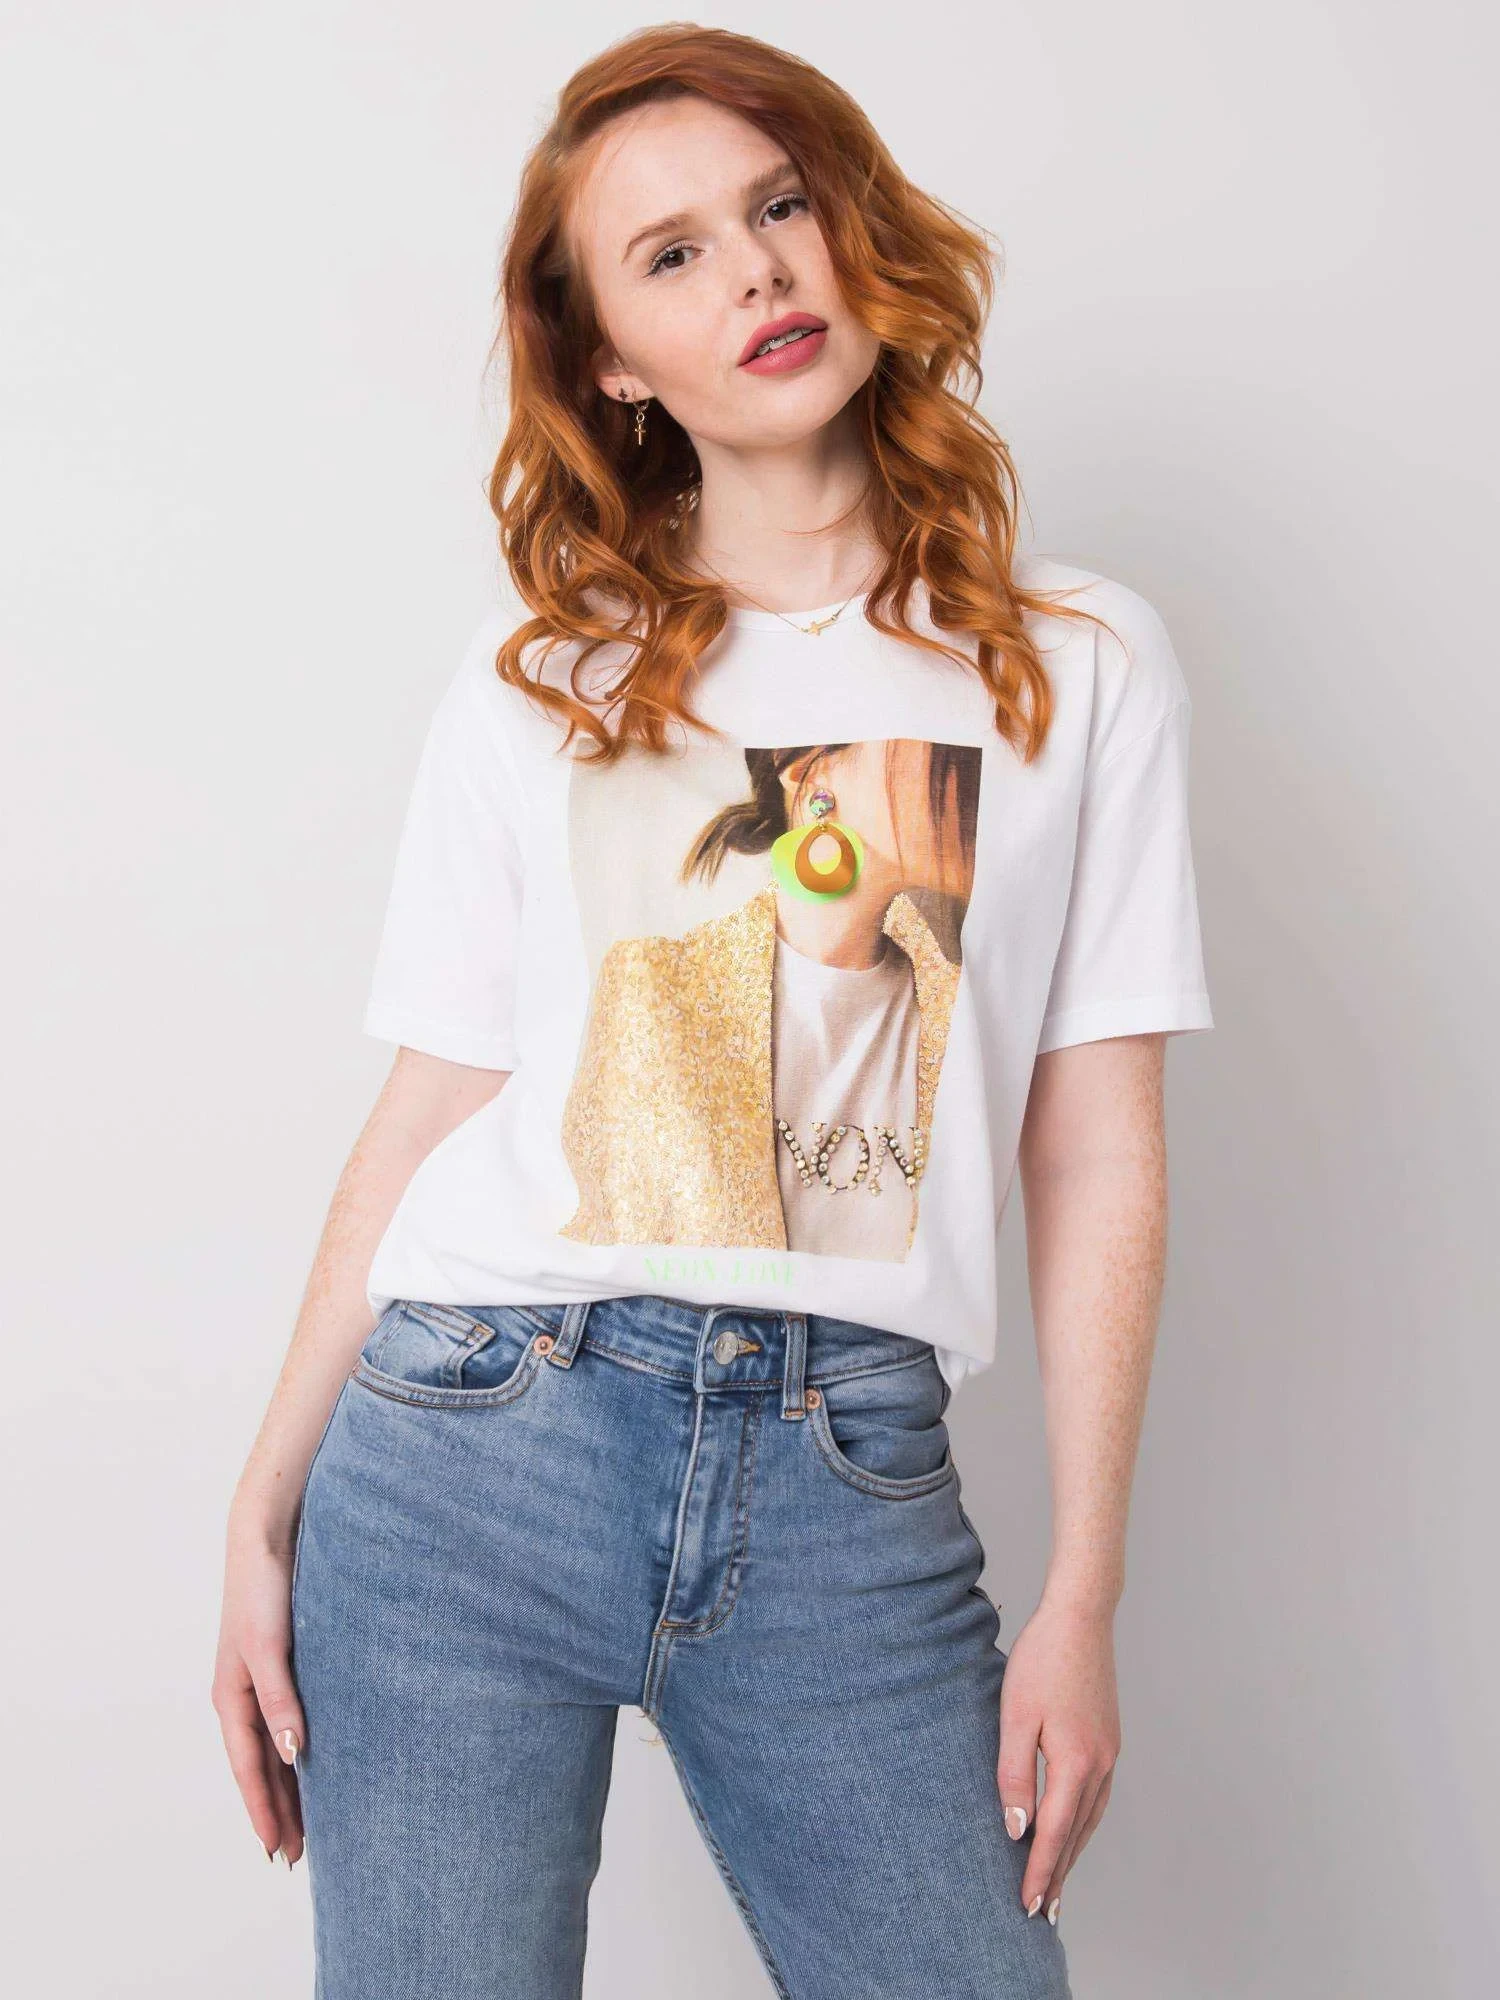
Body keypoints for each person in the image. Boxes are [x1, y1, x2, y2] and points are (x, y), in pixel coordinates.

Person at [213, 25, 1214, 1999]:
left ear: (854, 228)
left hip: (848, 1473)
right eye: (670, 255)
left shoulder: (1075, 662)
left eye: (779, 206)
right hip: (473, 1442)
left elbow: (1093, 1143)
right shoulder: (545, 680)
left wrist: (1084, 1591)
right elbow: (436, 1101)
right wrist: (260, 1511)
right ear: (608, 357)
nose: (755, 271)